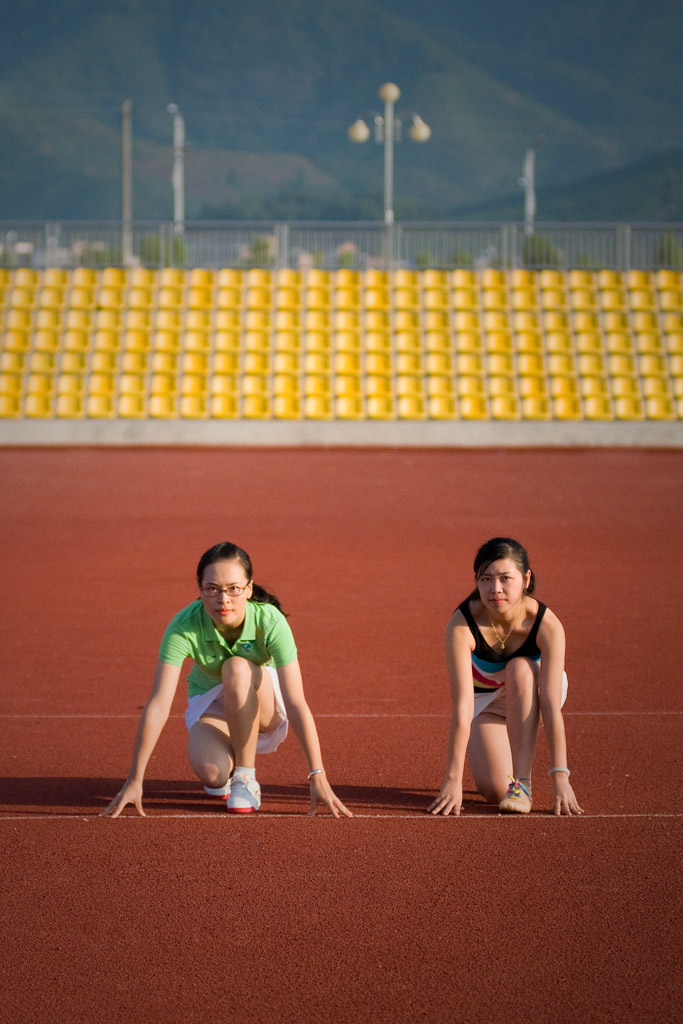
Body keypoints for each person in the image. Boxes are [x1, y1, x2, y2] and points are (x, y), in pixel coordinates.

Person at [102, 542, 352, 818]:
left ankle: (245, 778)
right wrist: (135, 780)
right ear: (200, 589)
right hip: (213, 706)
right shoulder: (183, 626)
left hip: (261, 703)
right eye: (213, 589)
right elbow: (159, 705)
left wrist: (317, 774)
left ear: (248, 588)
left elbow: (295, 702)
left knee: (235, 667)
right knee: (213, 775)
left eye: (234, 588)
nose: (224, 599)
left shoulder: (270, 621)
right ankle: (227, 771)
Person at [428, 537, 583, 817]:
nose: (495, 589)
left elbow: (549, 704)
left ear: (525, 579)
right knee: (496, 792)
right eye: (485, 579)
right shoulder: (462, 625)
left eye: (505, 578)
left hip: (532, 691)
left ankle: (522, 783)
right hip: (487, 703)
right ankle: (510, 777)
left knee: (520, 668)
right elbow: (463, 707)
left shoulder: (547, 624)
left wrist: (560, 774)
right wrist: (452, 779)